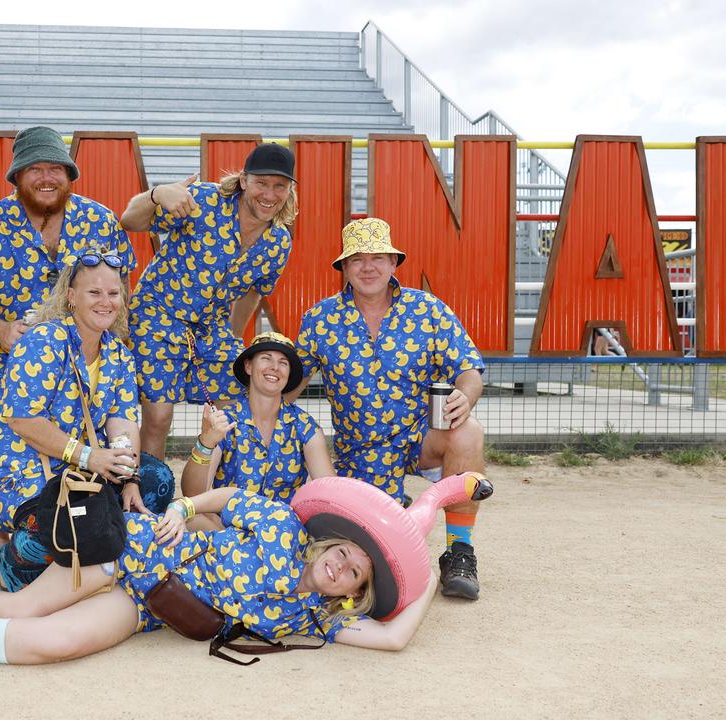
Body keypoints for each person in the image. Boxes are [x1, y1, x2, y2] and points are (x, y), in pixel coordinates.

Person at [0, 486, 436, 672]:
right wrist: (181, 509)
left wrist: (427, 577)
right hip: (133, 551)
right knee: (23, 608)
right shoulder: (280, 525)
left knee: (58, 643)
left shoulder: (312, 618)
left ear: (351, 593)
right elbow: (226, 498)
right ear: (329, 542)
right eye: (344, 552)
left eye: (355, 573)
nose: (342, 565)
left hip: (151, 604)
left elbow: (392, 638)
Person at [0, 125, 136, 585]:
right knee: (12, 446)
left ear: (70, 176)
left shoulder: (100, 221)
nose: (47, 178)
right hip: (5, 359)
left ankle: (57, 535)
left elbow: (116, 286)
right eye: (36, 169)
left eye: (56, 169)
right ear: (17, 177)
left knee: (75, 448)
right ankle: (0, 541)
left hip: (82, 352)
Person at [291, 218, 489, 600]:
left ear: (394, 264)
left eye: (378, 257)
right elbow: (289, 383)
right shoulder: (320, 320)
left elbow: (469, 368)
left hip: (420, 438)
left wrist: (466, 394)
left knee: (469, 431)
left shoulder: (427, 310)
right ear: (344, 269)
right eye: (357, 259)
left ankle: (459, 553)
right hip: (358, 455)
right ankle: (395, 507)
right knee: (375, 553)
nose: (369, 267)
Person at [0, 253, 172, 592]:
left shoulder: (118, 352)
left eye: (113, 293)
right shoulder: (44, 340)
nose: (106, 302)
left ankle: (93, 556)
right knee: (58, 526)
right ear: (71, 297)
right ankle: (15, 561)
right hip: (16, 467)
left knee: (155, 480)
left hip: (77, 467)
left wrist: (128, 475)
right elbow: (23, 418)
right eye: (94, 293)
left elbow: (122, 423)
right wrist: (91, 458)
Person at [119, 143, 297, 461]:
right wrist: (157, 194)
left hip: (211, 328)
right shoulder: (203, 200)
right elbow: (130, 220)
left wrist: (231, 337)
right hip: (158, 314)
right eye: (261, 183)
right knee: (158, 418)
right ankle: (149, 502)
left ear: (289, 190)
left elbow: (253, 291)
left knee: (236, 409)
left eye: (279, 186)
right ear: (243, 180)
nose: (269, 194)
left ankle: (216, 498)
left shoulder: (278, 242)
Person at [180, 331, 334, 529]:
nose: (275, 367)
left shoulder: (306, 427)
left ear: (288, 375)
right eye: (266, 358)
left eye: (283, 363)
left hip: (282, 533)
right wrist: (206, 443)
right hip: (227, 530)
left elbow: (329, 495)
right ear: (248, 366)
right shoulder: (225, 421)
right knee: (191, 519)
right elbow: (194, 495)